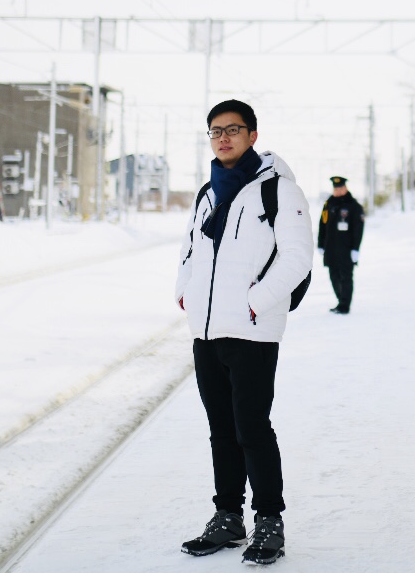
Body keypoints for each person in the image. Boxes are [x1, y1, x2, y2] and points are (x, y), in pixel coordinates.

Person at [175, 99, 313, 565]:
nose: (223, 138)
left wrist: (254, 302)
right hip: (208, 331)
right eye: (215, 131)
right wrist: (185, 292)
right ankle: (227, 517)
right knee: (221, 430)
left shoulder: (279, 191)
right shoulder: (206, 194)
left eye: (233, 129)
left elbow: (297, 259)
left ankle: (268, 521)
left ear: (253, 135)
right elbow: (191, 251)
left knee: (252, 427)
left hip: (253, 333)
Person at [318, 175, 364, 314]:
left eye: (340, 188)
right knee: (334, 276)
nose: (337, 190)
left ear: (345, 188)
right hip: (331, 248)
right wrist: (321, 243)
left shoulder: (354, 206)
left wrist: (355, 249)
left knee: (345, 277)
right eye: (335, 188)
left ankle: (345, 305)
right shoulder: (329, 204)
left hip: (346, 249)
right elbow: (323, 225)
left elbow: (358, 229)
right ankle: (340, 300)